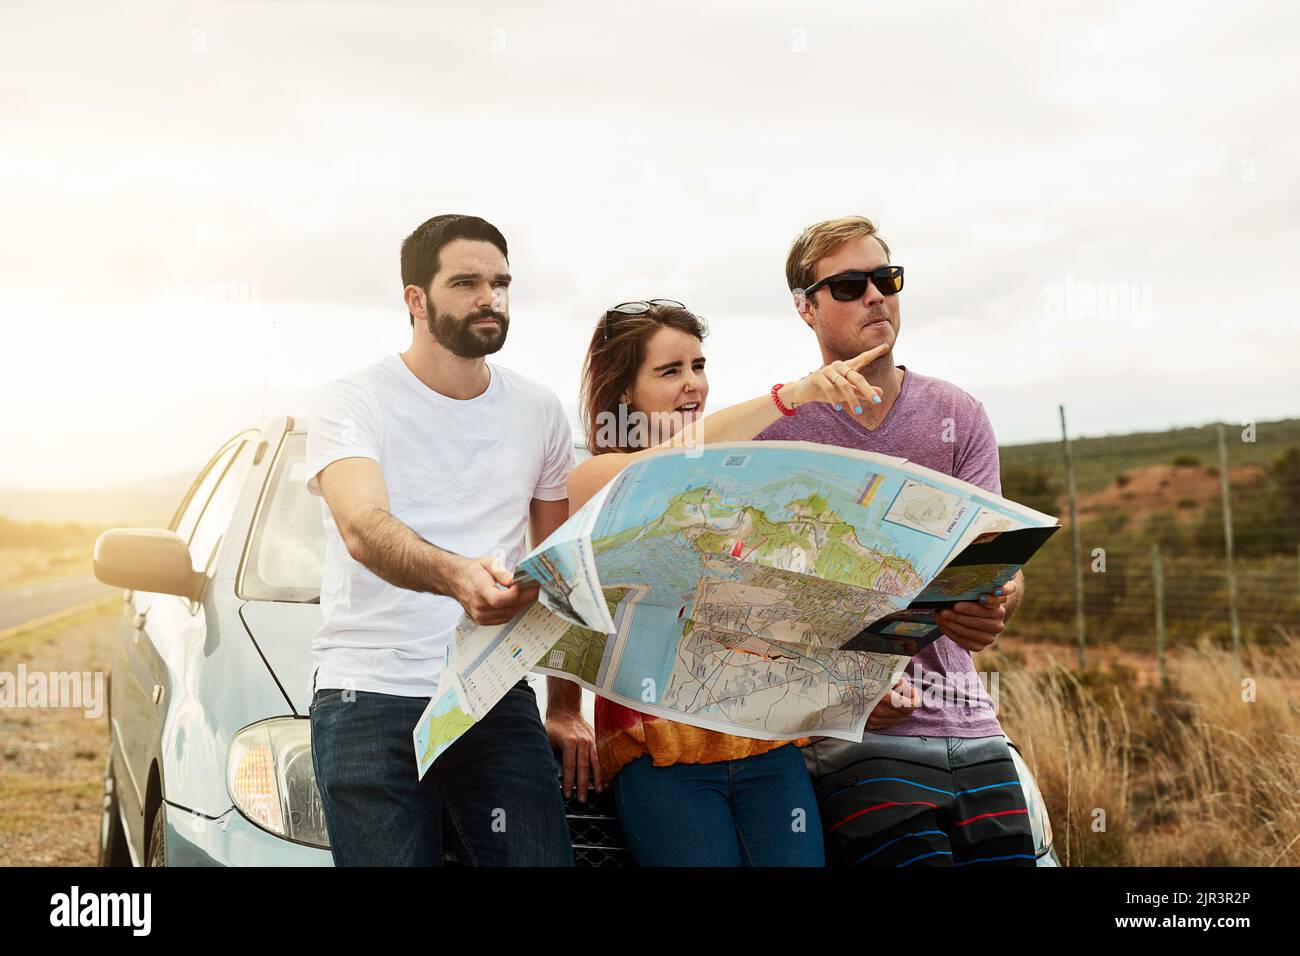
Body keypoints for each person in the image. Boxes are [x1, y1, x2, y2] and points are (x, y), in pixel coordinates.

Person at [551, 298, 893, 866]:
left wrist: (856, 678)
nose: (693, 385)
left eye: (699, 366)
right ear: (623, 395)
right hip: (661, 756)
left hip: (766, 746)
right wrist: (795, 395)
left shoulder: (745, 480)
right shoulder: (597, 480)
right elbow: (664, 467)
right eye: (670, 371)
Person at [755, 215, 1036, 867]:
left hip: (973, 724)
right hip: (858, 739)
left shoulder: (957, 414)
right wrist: (841, 695)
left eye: (885, 278)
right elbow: (756, 620)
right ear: (806, 308)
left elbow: (995, 563)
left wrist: (999, 599)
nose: (876, 296)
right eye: (850, 286)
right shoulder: (776, 439)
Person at [305, 214, 582, 866]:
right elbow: (363, 528)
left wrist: (566, 708)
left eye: (499, 282)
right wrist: (459, 577)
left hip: (491, 690)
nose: (489, 297)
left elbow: (562, 569)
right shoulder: (353, 400)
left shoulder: (540, 410)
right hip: (368, 692)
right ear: (415, 300)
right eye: (465, 282)